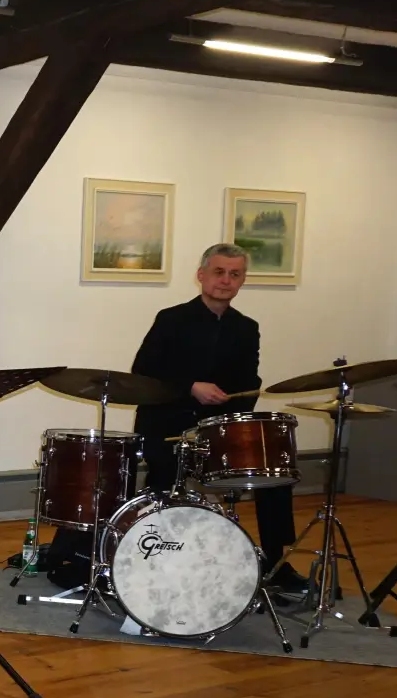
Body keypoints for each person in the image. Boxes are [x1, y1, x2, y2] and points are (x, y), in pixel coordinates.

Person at [131, 242, 310, 596]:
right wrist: (190, 387)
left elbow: (250, 382)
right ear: (201, 275)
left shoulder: (246, 328)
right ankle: (155, 556)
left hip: (218, 428)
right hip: (168, 425)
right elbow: (143, 374)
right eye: (219, 272)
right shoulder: (171, 319)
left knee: (274, 475)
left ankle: (275, 563)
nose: (226, 280)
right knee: (165, 476)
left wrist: (235, 411)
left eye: (235, 274)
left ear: (242, 280)